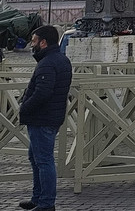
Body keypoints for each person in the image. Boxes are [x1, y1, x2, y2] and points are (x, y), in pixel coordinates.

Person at [19, 24, 72, 211]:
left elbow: (43, 93)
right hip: (50, 117)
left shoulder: (48, 63)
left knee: (43, 160)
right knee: (35, 157)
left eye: (34, 41)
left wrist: (24, 107)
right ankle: (38, 198)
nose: (31, 44)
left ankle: (46, 203)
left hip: (42, 118)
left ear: (43, 42)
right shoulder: (61, 60)